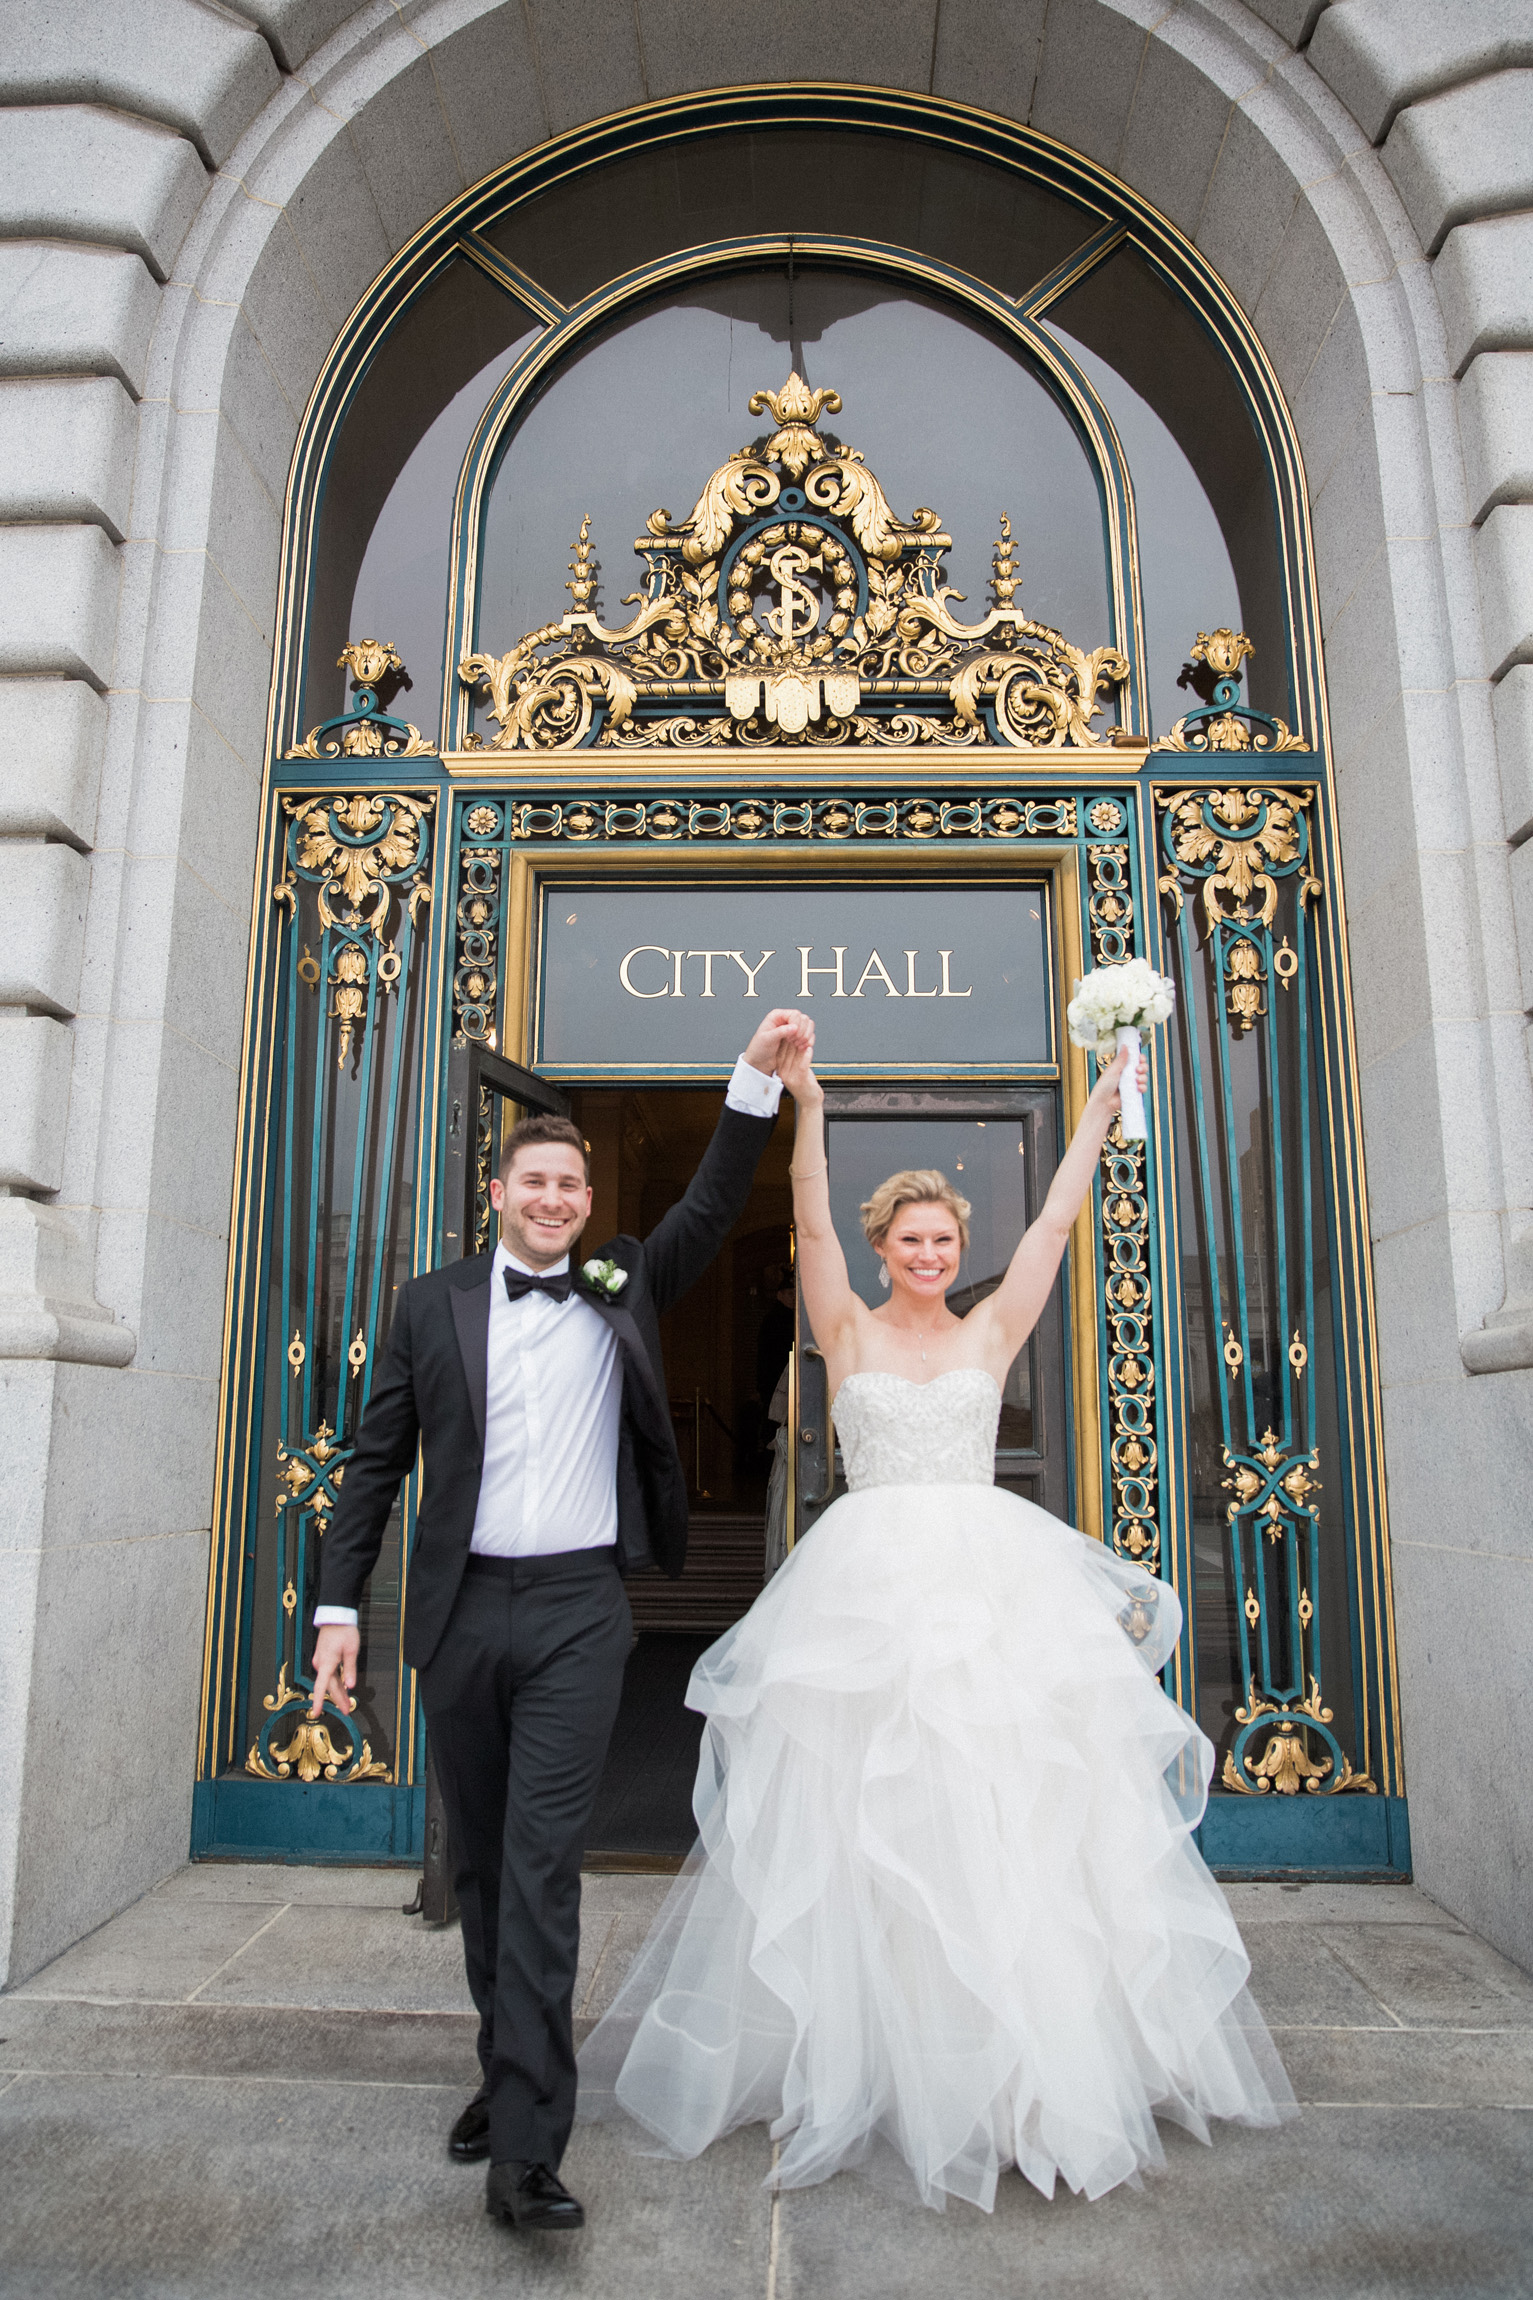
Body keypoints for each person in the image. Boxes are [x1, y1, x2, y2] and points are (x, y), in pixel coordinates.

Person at [578, 1028, 1297, 2211]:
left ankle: (1019, 2072)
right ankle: (881, 2055)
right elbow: (805, 1216)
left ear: (959, 1249)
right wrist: (805, 1105)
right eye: (910, 1237)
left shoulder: (989, 1328)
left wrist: (1102, 1108)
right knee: (862, 1814)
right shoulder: (844, 1326)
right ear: (883, 1247)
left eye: (944, 1238)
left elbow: (1059, 1223)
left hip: (988, 1589)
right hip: (864, 1593)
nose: (927, 1250)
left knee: (1004, 1810)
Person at [308, 1009, 811, 2236]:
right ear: (498, 1191)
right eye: (531, 1178)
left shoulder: (622, 1281)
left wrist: (754, 1081)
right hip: (463, 1611)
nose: (551, 1197)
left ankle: (528, 2147)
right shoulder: (428, 1305)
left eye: (569, 1183)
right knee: (479, 1866)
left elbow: (704, 1209)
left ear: (588, 1202)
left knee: (541, 1868)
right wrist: (337, 1605)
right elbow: (374, 1467)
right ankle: (505, 2065)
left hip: (584, 1606)